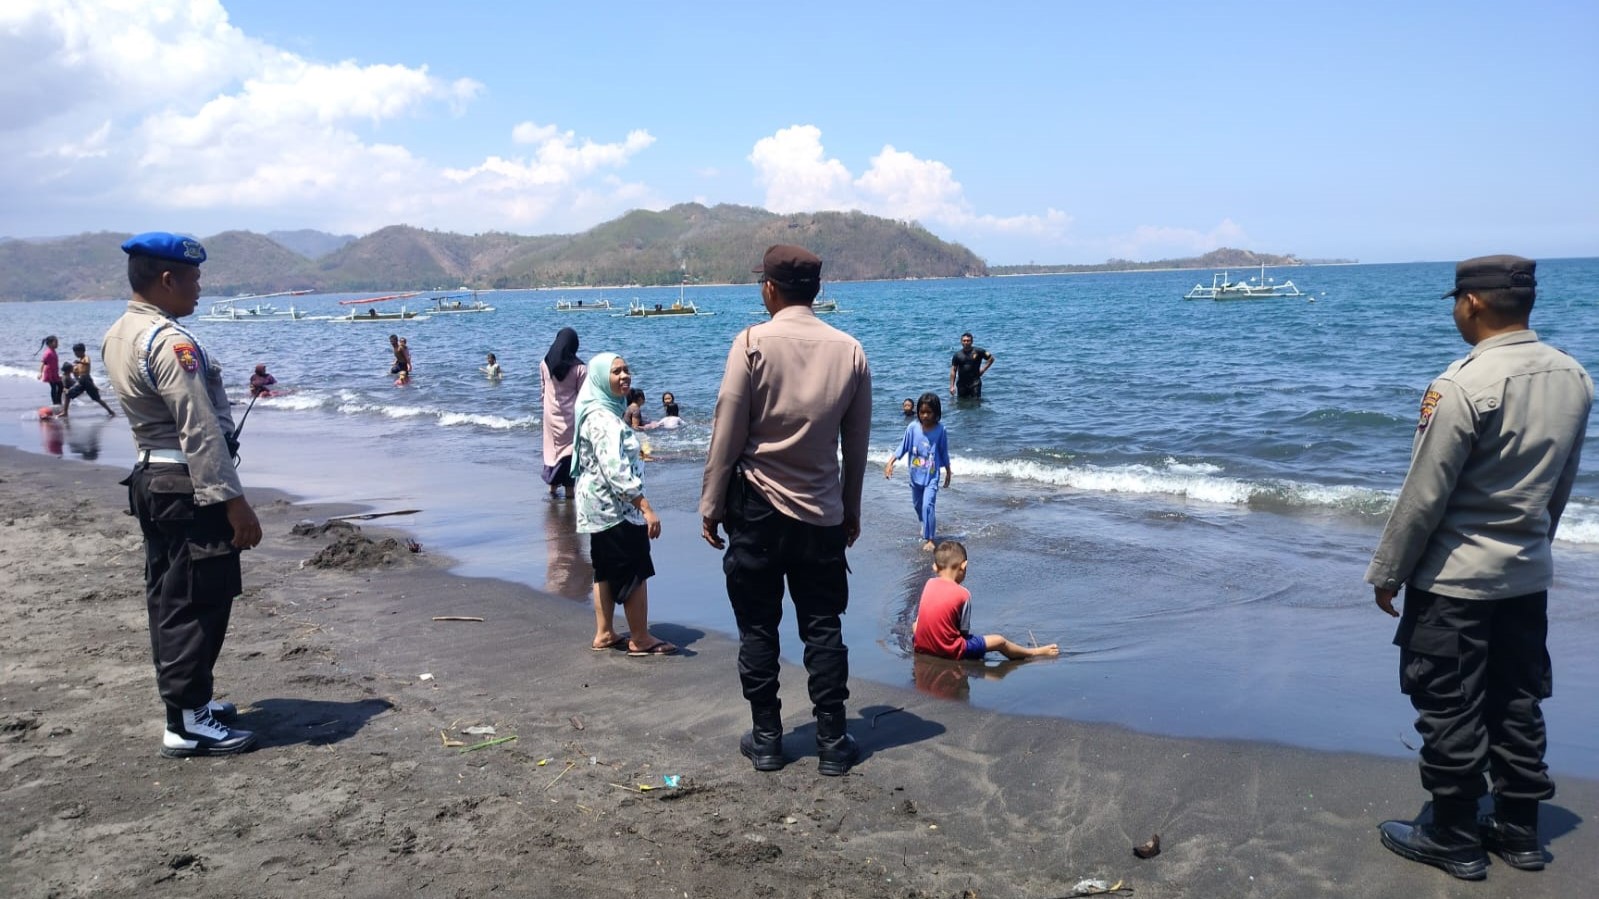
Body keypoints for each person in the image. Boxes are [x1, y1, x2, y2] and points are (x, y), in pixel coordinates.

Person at [1365, 255, 1592, 881]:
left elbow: (1424, 493)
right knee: (1518, 697)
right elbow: (1560, 484)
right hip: (1525, 573)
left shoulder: (1463, 384)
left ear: (1473, 303)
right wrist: (1533, 544)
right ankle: (1520, 831)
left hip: (1456, 581)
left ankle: (1455, 834)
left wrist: (1388, 570)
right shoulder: (1573, 376)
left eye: (1457, 303)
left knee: (1449, 701)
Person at [700, 244, 872, 776]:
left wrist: (710, 503)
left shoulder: (751, 342)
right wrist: (851, 509)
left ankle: (769, 738)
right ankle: (831, 740)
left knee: (759, 627)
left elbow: (727, 431)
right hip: (820, 513)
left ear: (770, 289)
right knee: (823, 626)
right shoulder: (850, 351)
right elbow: (857, 445)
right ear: (815, 292)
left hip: (755, 510)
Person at [102, 232, 263, 758]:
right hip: (187, 486)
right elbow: (199, 431)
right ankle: (188, 722)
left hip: (152, 477)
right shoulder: (172, 343)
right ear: (167, 280)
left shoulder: (119, 334)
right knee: (199, 600)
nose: (199, 288)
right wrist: (233, 501)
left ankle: (191, 705)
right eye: (193, 279)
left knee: (169, 596)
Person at [572, 352, 677, 657]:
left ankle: (604, 633)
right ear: (601, 378)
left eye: (626, 369)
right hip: (615, 508)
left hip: (600, 507)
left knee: (605, 568)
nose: (623, 376)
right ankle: (640, 638)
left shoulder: (601, 411)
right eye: (615, 371)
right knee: (635, 567)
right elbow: (615, 470)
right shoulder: (603, 419)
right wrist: (645, 507)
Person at [913, 541, 1059, 661]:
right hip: (950, 650)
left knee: (916, 624)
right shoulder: (963, 594)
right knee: (999, 641)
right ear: (964, 566)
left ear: (935, 567)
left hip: (921, 645)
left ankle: (929, 644)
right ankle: (1033, 652)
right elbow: (963, 632)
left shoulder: (929, 583)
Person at [884, 392, 952, 551]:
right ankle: (925, 523)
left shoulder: (941, 430)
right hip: (915, 477)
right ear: (918, 412)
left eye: (929, 412)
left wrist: (948, 472)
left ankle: (930, 538)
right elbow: (903, 447)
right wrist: (890, 462)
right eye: (922, 412)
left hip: (931, 477)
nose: (925, 415)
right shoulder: (912, 428)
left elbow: (943, 452)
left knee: (928, 505)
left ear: (936, 413)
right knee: (918, 506)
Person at [540, 328, 585, 499]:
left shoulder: (544, 363)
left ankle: (551, 488)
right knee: (570, 452)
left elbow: (543, 391)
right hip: (571, 418)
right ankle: (569, 491)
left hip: (550, 415)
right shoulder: (580, 368)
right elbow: (583, 396)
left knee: (552, 449)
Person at [60, 342, 118, 418]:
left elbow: (87, 363)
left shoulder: (85, 358)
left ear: (81, 351)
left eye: (76, 352)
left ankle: (110, 411)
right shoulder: (80, 361)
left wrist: (79, 362)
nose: (75, 354)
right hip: (81, 381)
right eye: (74, 353)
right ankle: (65, 412)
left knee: (96, 398)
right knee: (68, 394)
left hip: (86, 380)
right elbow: (76, 372)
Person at [949, 332, 994, 398]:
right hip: (962, 384)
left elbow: (991, 359)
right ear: (961, 342)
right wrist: (952, 386)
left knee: (976, 404)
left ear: (972, 341)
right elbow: (953, 370)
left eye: (968, 341)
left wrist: (983, 369)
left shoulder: (979, 351)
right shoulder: (957, 355)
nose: (966, 342)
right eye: (964, 341)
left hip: (975, 383)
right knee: (962, 404)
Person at [39, 336, 63, 405]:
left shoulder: (53, 351)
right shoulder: (48, 353)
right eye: (55, 342)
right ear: (49, 343)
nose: (57, 344)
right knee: (54, 387)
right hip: (49, 373)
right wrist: (40, 373)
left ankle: (58, 401)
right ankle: (55, 403)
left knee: (60, 386)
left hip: (54, 372)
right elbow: (43, 363)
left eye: (57, 342)